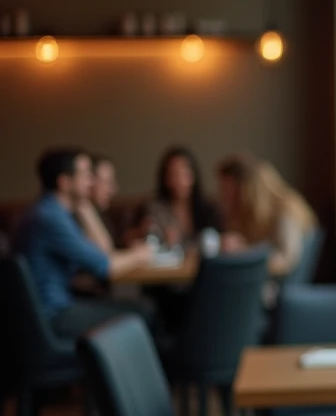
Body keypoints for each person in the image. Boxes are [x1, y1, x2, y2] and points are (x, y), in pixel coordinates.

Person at [13, 148, 154, 340]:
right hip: (53, 316)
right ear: (64, 182)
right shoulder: (51, 217)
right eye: (85, 175)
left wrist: (83, 206)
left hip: (50, 311)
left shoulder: (52, 212)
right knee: (144, 311)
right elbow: (105, 265)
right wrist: (141, 254)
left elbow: (102, 255)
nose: (91, 181)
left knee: (142, 307)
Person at [216, 152, 317, 276]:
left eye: (228, 191)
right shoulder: (254, 218)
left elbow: (285, 262)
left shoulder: (286, 212)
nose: (223, 197)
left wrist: (244, 253)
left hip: (278, 288)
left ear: (246, 190)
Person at [132, 146, 222, 248]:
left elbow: (218, 240)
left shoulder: (208, 209)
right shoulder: (153, 209)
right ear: (165, 179)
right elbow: (137, 240)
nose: (179, 180)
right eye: (173, 174)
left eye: (184, 173)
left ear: (193, 175)